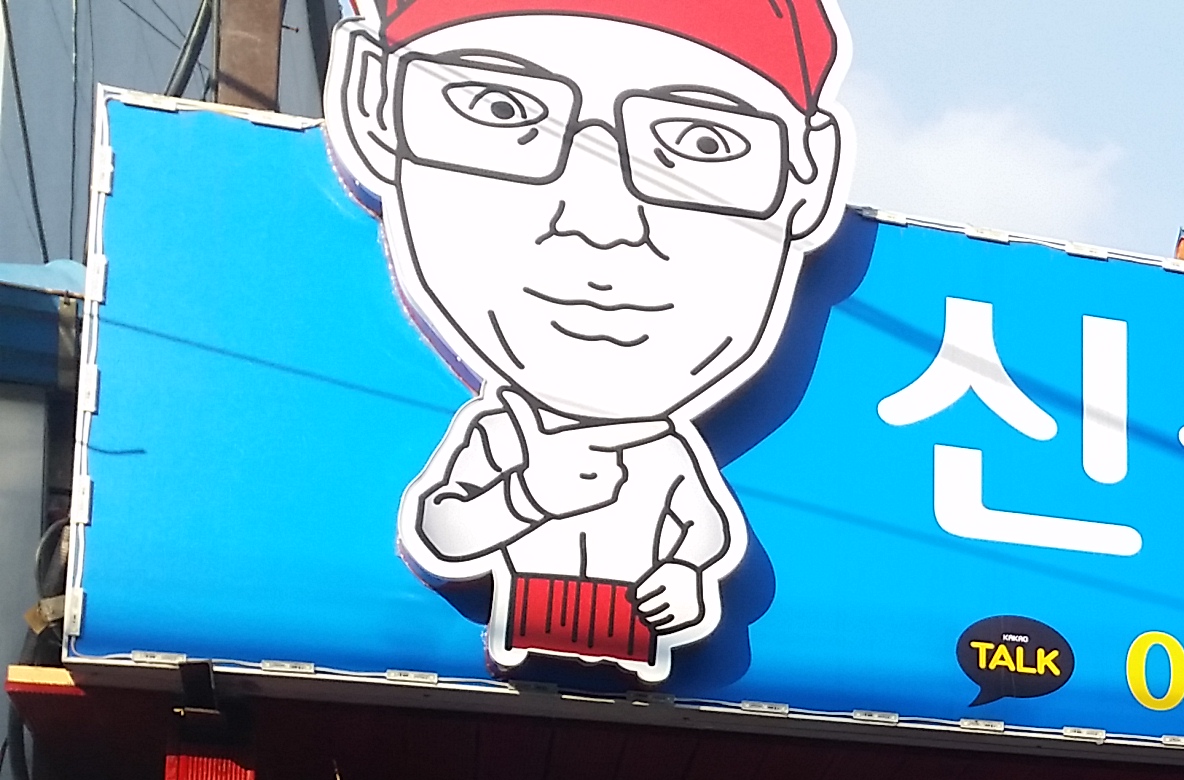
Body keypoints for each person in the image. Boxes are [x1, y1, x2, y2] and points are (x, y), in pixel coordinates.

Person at [319, 0, 852, 683]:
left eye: (702, 143)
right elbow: (440, 532)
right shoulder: (501, 434)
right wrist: (526, 496)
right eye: (501, 108)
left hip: (626, 628)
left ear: (810, 175)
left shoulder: (665, 454)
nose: (604, 221)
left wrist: (684, 581)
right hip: (532, 613)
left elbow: (703, 538)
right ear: (373, 104)